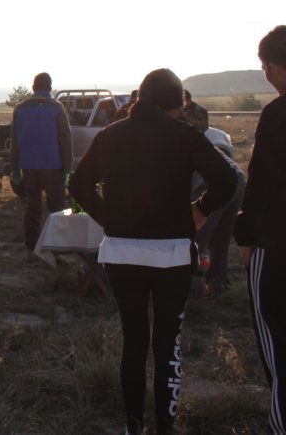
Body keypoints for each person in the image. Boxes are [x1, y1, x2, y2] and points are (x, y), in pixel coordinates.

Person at [69, 68, 237, 435]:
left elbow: (78, 184)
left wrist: (109, 218)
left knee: (134, 341)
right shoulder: (185, 135)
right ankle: (165, 427)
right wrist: (201, 209)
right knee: (166, 345)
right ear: (176, 105)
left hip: (121, 254)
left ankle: (133, 427)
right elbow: (228, 179)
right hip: (172, 255)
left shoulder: (112, 134)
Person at [234, 25, 286, 434]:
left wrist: (246, 235)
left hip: (276, 244)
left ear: (274, 67)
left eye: (265, 67)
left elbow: (262, 180)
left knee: (277, 338)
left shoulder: (277, 114)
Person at [9, 72, 72, 259]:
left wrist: (14, 168)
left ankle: (32, 249)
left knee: (33, 208)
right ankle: (57, 252)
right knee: (57, 209)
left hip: (29, 168)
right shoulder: (57, 108)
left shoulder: (20, 109)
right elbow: (65, 140)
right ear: (50, 89)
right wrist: (67, 169)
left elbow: (14, 142)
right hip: (53, 167)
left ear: (33, 87)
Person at [191, 150, 245, 298]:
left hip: (211, 184)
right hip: (237, 179)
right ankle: (217, 284)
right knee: (221, 238)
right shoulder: (197, 143)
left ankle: (185, 287)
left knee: (193, 237)